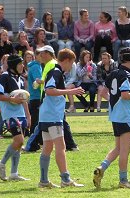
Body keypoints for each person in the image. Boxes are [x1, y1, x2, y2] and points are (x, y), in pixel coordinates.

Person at [93, 47, 130, 189]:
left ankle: (101, 168)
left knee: (118, 148)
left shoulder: (113, 73)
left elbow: (102, 91)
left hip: (115, 115)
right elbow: (125, 94)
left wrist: (112, 100)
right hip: (125, 115)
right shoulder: (127, 75)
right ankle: (123, 180)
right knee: (125, 150)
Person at [37, 48, 85, 188]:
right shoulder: (56, 71)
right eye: (72, 63)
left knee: (47, 147)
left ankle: (44, 181)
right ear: (67, 61)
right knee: (61, 146)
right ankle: (65, 179)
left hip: (46, 115)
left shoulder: (56, 72)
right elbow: (49, 90)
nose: (72, 67)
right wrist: (71, 91)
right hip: (52, 116)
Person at [0, 54, 31, 181]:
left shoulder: (20, 79)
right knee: (19, 141)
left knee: (19, 144)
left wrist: (28, 115)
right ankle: (2, 163)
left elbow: (23, 98)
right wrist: (11, 99)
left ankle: (14, 173)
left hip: (21, 114)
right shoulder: (4, 77)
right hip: (10, 114)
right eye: (20, 64)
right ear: (13, 65)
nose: (22, 66)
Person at [27, 50, 41, 136]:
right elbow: (38, 82)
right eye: (41, 55)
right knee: (36, 121)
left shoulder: (36, 66)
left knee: (36, 120)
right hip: (37, 96)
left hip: (34, 96)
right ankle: (33, 141)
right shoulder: (36, 67)